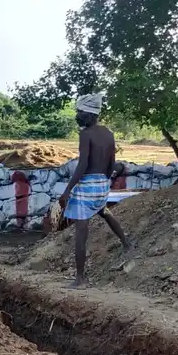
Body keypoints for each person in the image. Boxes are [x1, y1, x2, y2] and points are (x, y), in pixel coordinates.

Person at [59, 93, 132, 288]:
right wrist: (106, 181)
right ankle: (126, 244)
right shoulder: (108, 133)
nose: (78, 115)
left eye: (80, 111)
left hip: (87, 186)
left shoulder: (86, 134)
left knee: (81, 232)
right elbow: (111, 164)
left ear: (90, 113)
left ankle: (80, 279)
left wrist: (67, 190)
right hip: (102, 184)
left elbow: (82, 165)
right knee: (104, 211)